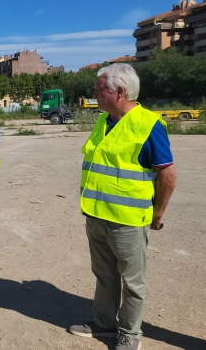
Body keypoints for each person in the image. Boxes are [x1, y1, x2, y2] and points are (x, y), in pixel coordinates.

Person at [69, 63, 177, 350]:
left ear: (119, 91)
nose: (94, 94)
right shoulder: (104, 121)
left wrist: (158, 214)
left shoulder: (148, 126)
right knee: (104, 275)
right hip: (96, 215)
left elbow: (167, 174)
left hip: (127, 220)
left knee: (133, 282)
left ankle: (130, 334)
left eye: (98, 89)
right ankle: (104, 323)